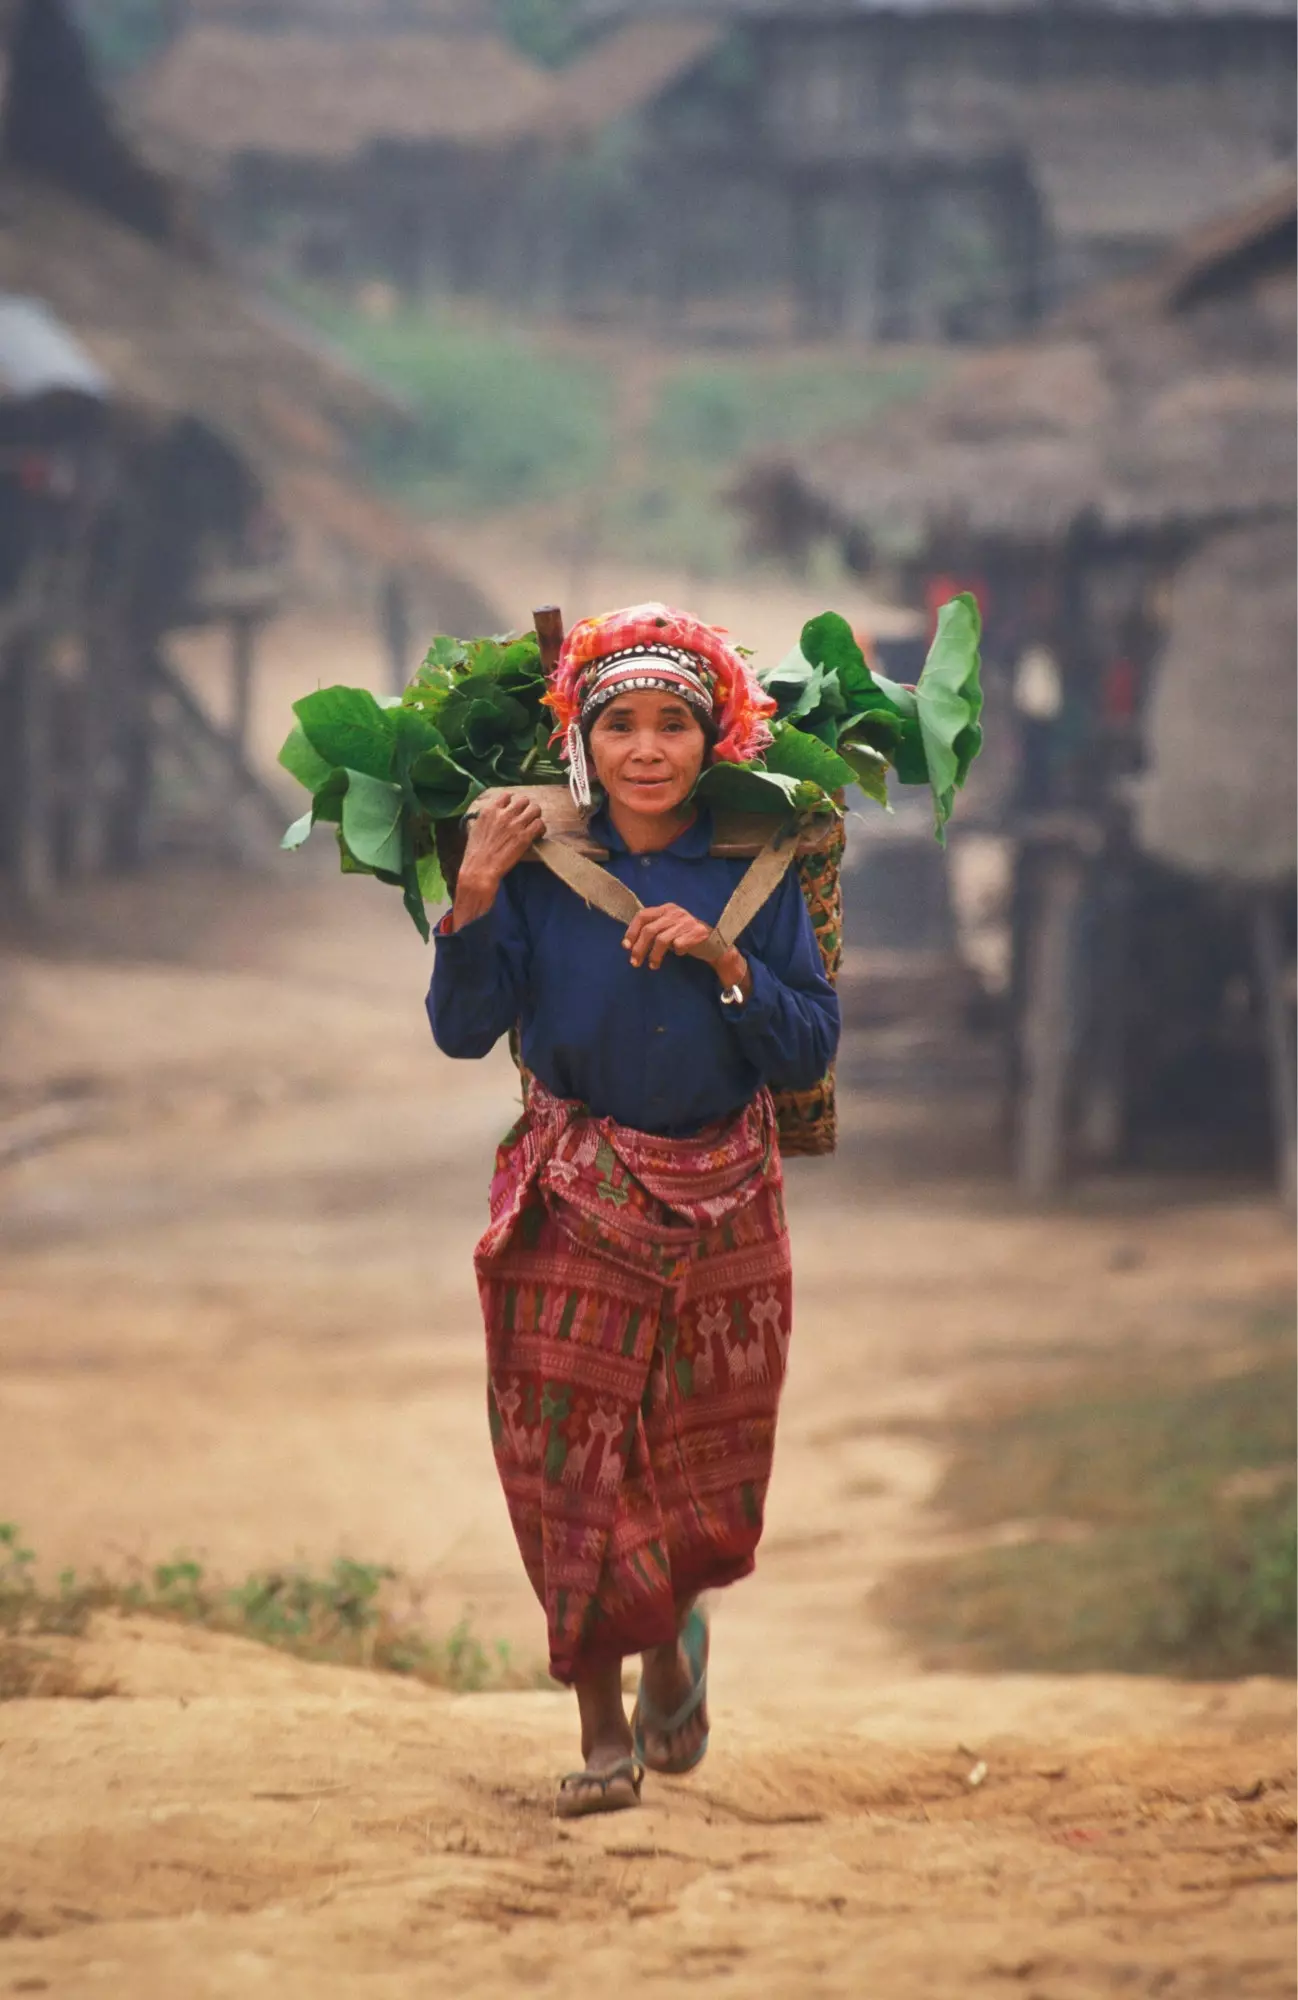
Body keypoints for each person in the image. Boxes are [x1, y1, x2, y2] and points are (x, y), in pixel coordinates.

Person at [427, 603, 840, 1818]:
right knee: (574, 1467)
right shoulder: (537, 868)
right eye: (619, 725)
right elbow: (460, 1032)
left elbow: (807, 1043)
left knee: (694, 1461)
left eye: (672, 723)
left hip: (724, 1199)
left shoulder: (756, 867)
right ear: (582, 742)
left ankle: (672, 1638)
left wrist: (726, 964)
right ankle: (602, 1729)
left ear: (714, 741)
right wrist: (473, 887)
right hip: (571, 1191)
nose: (646, 748)